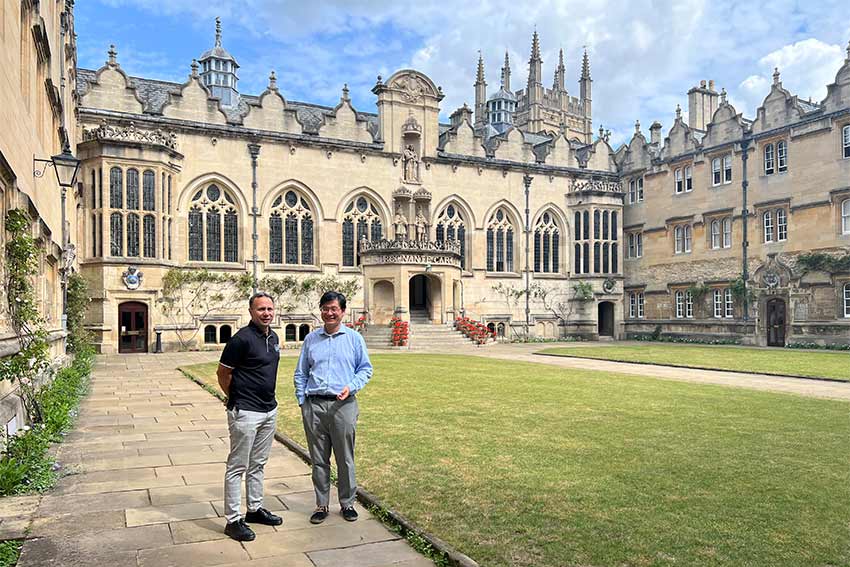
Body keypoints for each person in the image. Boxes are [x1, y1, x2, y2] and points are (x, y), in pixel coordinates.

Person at [294, 291, 373, 524]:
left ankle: (347, 503)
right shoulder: (311, 339)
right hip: (314, 405)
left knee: (345, 457)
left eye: (334, 309)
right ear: (321, 310)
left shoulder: (354, 338)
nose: (329, 313)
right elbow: (301, 372)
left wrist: (351, 387)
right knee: (318, 459)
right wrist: (302, 401)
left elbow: (365, 369)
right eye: (325, 308)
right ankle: (321, 504)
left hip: (343, 406)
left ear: (342, 311)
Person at [217, 291, 283, 542]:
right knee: (237, 466)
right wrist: (236, 398)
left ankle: (254, 510)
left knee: (258, 463)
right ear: (251, 312)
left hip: (269, 410)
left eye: (269, 309)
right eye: (261, 309)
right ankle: (233, 521)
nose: (266, 313)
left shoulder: (274, 337)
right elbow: (223, 373)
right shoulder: (240, 340)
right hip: (245, 411)